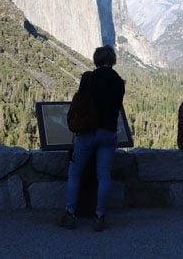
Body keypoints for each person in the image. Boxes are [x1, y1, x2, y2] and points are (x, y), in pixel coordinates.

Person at [60, 45, 125, 232]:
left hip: (88, 133)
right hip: (109, 133)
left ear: (96, 59)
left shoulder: (89, 78)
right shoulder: (119, 82)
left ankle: (70, 214)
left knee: (75, 172)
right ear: (112, 60)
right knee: (104, 174)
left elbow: (81, 101)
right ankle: (99, 216)